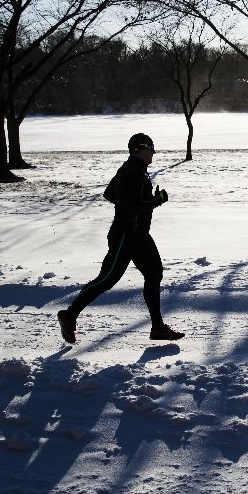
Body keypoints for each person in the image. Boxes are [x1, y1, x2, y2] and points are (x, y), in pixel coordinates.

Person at [57, 133, 184, 343]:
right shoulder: (133, 173)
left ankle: (158, 327)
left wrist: (139, 201)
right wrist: (156, 201)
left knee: (154, 274)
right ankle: (69, 315)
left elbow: (110, 194)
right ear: (138, 149)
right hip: (126, 235)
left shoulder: (131, 170)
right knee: (107, 279)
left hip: (139, 235)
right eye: (150, 147)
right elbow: (133, 206)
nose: (154, 152)